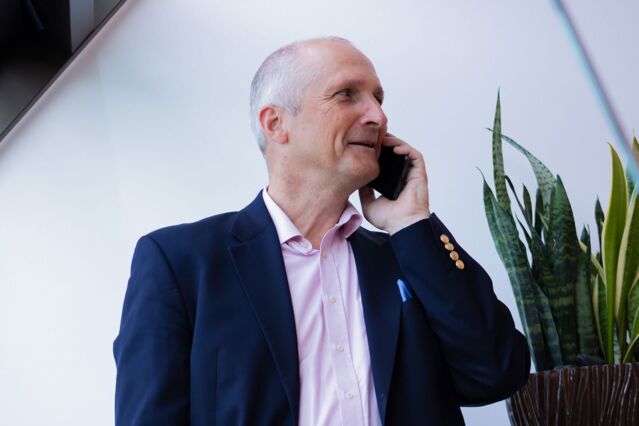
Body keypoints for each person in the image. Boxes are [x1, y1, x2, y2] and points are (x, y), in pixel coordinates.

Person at [113, 36, 530, 426]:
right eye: (347, 94)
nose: (378, 116)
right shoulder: (181, 263)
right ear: (276, 123)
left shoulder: (406, 256)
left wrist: (412, 223)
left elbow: (494, 374)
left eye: (379, 99)